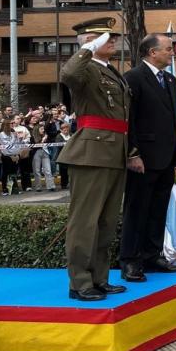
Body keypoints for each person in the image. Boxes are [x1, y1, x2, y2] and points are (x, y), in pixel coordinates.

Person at [57, 17, 130, 301]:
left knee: (106, 222)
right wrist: (88, 48)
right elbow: (68, 75)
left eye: (111, 38)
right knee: (85, 221)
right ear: (90, 42)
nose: (112, 41)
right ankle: (80, 282)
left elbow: (123, 117)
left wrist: (131, 151)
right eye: (105, 38)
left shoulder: (111, 71)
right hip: (91, 152)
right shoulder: (84, 68)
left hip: (115, 151)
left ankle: (100, 278)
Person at [120, 34, 176, 282]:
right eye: (168, 49)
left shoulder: (168, 79)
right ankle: (131, 260)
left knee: (158, 209)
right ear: (151, 52)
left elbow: (175, 118)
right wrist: (132, 153)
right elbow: (129, 120)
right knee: (137, 209)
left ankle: (152, 255)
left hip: (166, 157)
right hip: (143, 158)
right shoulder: (133, 78)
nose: (172, 53)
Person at [30, 122, 55, 192]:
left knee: (48, 170)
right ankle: (38, 187)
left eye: (43, 129)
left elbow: (49, 144)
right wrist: (43, 140)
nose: (43, 130)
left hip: (45, 153)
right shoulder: (33, 137)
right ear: (37, 130)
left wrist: (45, 139)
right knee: (37, 171)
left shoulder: (45, 136)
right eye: (41, 129)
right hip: (36, 153)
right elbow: (35, 146)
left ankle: (51, 186)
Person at [55, 122, 71, 190]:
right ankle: (63, 184)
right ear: (61, 130)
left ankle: (70, 183)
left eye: (67, 129)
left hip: (70, 156)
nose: (66, 131)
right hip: (62, 156)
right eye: (64, 130)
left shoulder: (71, 135)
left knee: (70, 171)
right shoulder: (59, 136)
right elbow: (58, 145)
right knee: (63, 171)